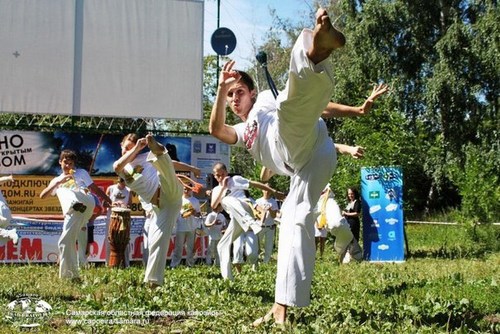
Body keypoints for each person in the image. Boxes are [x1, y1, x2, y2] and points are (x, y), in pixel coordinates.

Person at [209, 8, 387, 325]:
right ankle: (282, 306)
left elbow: (313, 107)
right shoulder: (239, 131)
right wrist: (220, 89)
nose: (235, 100)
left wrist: (356, 111)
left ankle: (316, 52)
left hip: (305, 140)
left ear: (251, 92)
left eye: (238, 93)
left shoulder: (264, 99)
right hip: (304, 163)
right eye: (230, 97)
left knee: (290, 109)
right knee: (293, 220)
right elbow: (216, 131)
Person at [113, 133, 200, 288]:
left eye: (131, 148)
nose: (127, 151)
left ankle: (159, 151)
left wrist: (191, 168)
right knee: (156, 242)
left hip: (169, 192)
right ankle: (153, 281)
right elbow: (116, 167)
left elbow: (173, 164)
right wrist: (135, 149)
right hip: (161, 207)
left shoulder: (146, 156)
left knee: (164, 172)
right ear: (121, 146)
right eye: (125, 148)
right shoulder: (123, 167)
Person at [40, 150, 111, 280]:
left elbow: (94, 188)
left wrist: (108, 199)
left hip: (85, 202)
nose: (68, 166)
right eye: (66, 163)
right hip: (72, 212)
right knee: (65, 241)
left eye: (71, 163)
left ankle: (75, 202)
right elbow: (42, 195)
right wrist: (57, 183)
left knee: (76, 191)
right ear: (60, 162)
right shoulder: (57, 179)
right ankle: (71, 275)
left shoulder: (81, 173)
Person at [210, 162, 284, 280]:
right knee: (222, 245)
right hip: (237, 218)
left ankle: (252, 223)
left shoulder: (235, 180)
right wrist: (223, 188)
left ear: (226, 172)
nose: (220, 177)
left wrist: (274, 192)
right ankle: (228, 278)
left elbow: (256, 184)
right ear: (214, 176)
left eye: (222, 174)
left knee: (228, 199)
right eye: (217, 175)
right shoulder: (216, 189)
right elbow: (214, 205)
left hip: (245, 208)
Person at [170, 185, 201, 268]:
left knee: (190, 247)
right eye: (185, 189)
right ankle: (174, 264)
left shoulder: (195, 201)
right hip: (180, 226)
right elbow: (174, 212)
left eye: (188, 189)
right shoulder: (178, 200)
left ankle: (190, 264)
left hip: (192, 227)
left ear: (191, 190)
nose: (186, 191)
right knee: (178, 247)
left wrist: (194, 213)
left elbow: (198, 214)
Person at [105, 177, 133, 265]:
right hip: (111, 217)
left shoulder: (129, 190)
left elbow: (130, 205)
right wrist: (112, 204)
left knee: (125, 240)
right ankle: (108, 263)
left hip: (124, 218)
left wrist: (125, 206)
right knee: (110, 240)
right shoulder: (111, 188)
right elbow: (104, 203)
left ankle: (125, 263)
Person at [255, 185, 280, 263]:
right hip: (259, 226)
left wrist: (270, 210)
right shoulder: (257, 201)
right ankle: (255, 261)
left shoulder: (273, 202)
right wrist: (262, 212)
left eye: (269, 190)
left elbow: (274, 216)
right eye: (265, 190)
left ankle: (266, 262)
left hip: (270, 227)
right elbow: (255, 214)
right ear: (262, 190)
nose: (267, 192)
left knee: (268, 246)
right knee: (256, 245)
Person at [0, 175, 19, 246]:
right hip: (6, 212)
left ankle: (10, 233)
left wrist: (8, 178)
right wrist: (8, 178)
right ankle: (10, 234)